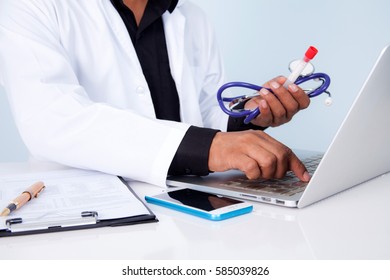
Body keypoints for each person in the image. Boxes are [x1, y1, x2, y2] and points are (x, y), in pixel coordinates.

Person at [0, 0, 311, 187]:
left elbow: (204, 112)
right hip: (87, 216)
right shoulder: (33, 6)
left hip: (186, 206)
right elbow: (51, 121)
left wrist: (249, 116)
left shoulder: (190, 15)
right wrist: (211, 147)